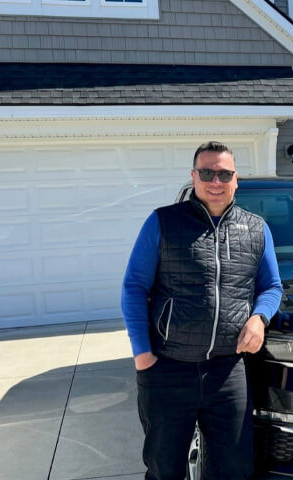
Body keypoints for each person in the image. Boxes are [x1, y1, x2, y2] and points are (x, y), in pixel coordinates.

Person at [121, 141, 283, 480]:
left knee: (234, 468)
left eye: (224, 173)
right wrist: (143, 355)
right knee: (165, 468)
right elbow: (134, 287)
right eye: (207, 172)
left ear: (236, 179)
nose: (216, 181)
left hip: (227, 371)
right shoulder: (162, 222)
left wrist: (259, 317)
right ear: (194, 177)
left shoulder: (256, 229)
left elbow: (271, 286)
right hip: (167, 368)